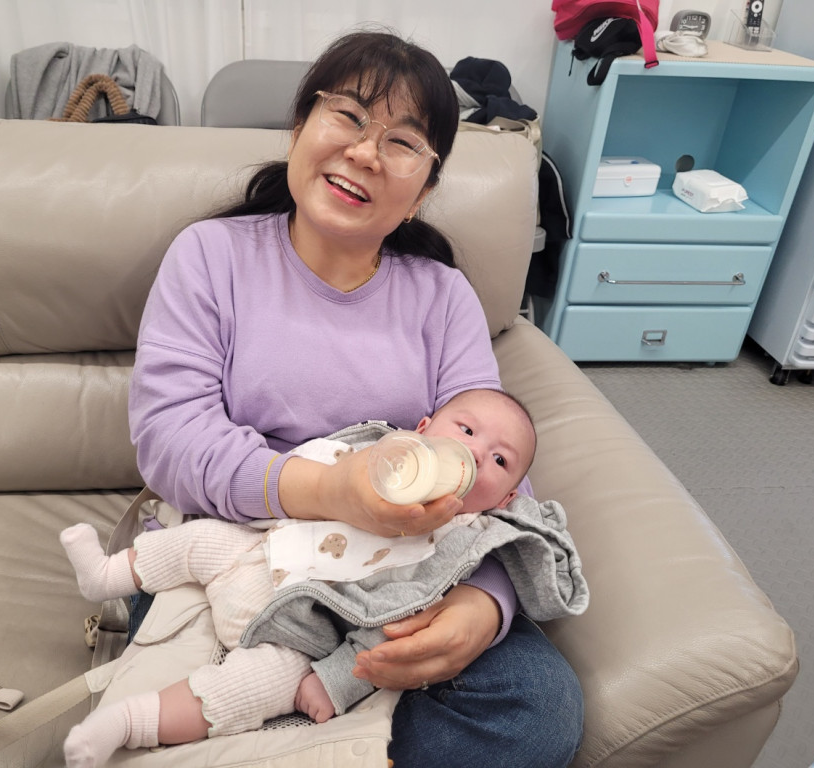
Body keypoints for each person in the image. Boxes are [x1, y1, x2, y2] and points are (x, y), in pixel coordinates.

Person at [123, 29, 583, 768]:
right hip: (242, 552)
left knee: (539, 710)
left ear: (424, 189)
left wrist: (484, 603)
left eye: (402, 142)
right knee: (162, 708)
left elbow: (498, 464)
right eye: (348, 116)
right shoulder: (210, 256)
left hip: (399, 572)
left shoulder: (443, 297)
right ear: (300, 126)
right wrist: (334, 491)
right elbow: (172, 440)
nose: (366, 152)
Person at [60, 389, 588, 766]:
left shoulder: (458, 546)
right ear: (421, 430)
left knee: (252, 688)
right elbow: (174, 437)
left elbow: (393, 621)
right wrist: (325, 488)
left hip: (305, 628)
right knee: (195, 542)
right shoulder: (379, 452)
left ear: (507, 498)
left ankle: (128, 723)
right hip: (254, 545)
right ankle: (106, 575)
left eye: (498, 459)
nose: (472, 453)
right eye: (465, 432)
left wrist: (336, 680)